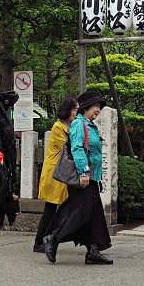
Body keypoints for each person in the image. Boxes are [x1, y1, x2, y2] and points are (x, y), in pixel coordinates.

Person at [42, 90, 113, 266]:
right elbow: (77, 149)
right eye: (96, 106)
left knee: (94, 214)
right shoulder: (78, 125)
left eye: (99, 106)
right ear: (86, 107)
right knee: (82, 213)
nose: (98, 109)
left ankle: (93, 251)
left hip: (91, 178)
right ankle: (53, 238)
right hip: (84, 177)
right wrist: (84, 172)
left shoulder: (89, 125)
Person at [33, 96, 76, 253]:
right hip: (55, 173)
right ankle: (40, 241)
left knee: (55, 208)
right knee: (50, 208)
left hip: (61, 172)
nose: (76, 113)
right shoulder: (59, 127)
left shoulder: (69, 126)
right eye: (75, 109)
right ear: (68, 110)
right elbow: (68, 146)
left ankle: (46, 239)